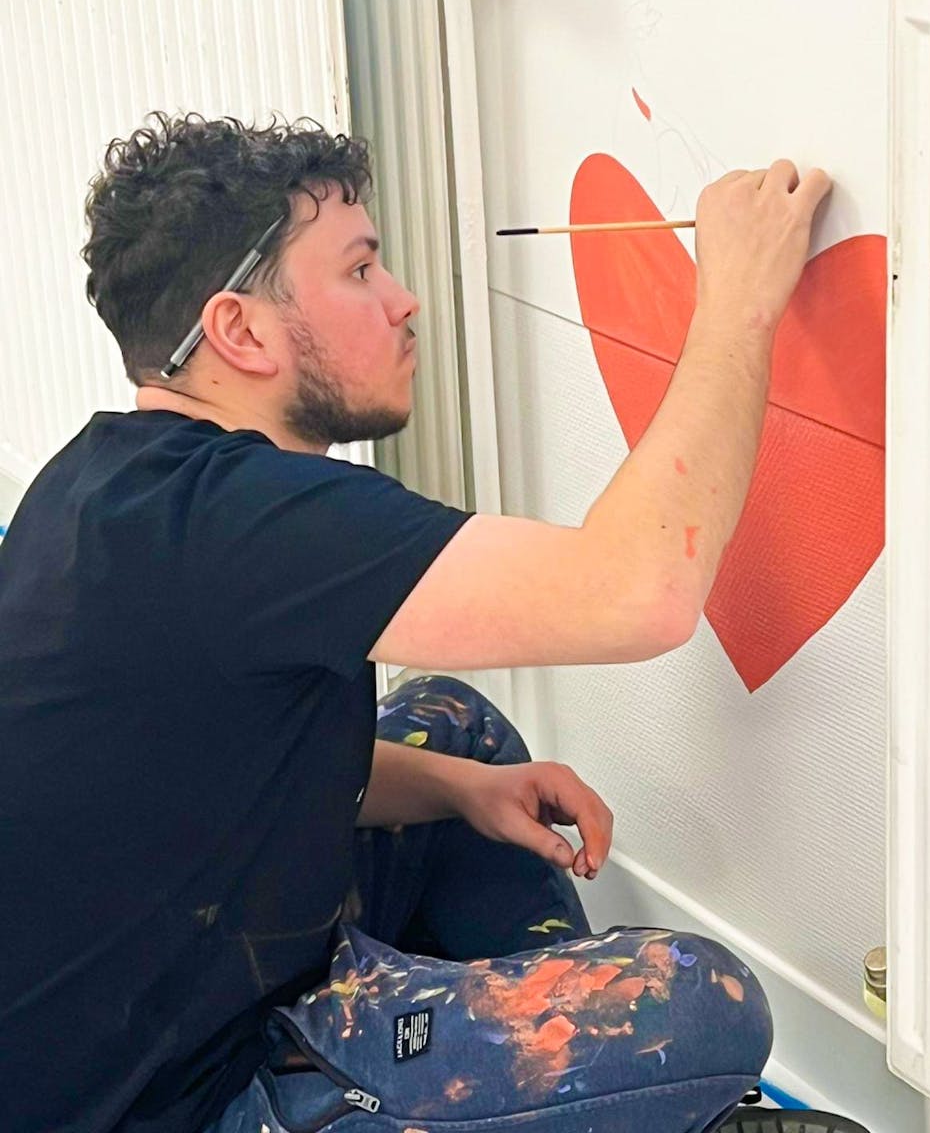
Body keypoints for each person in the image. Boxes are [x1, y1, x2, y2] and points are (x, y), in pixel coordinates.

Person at [0, 112, 838, 1133]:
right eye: (359, 271)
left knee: (458, 729)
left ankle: (536, 1092)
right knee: (699, 1003)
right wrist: (740, 302)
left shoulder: (114, 480)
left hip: (193, 967)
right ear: (241, 332)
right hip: (179, 1096)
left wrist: (461, 787)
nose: (404, 302)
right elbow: (641, 591)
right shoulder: (241, 519)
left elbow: (207, 774)